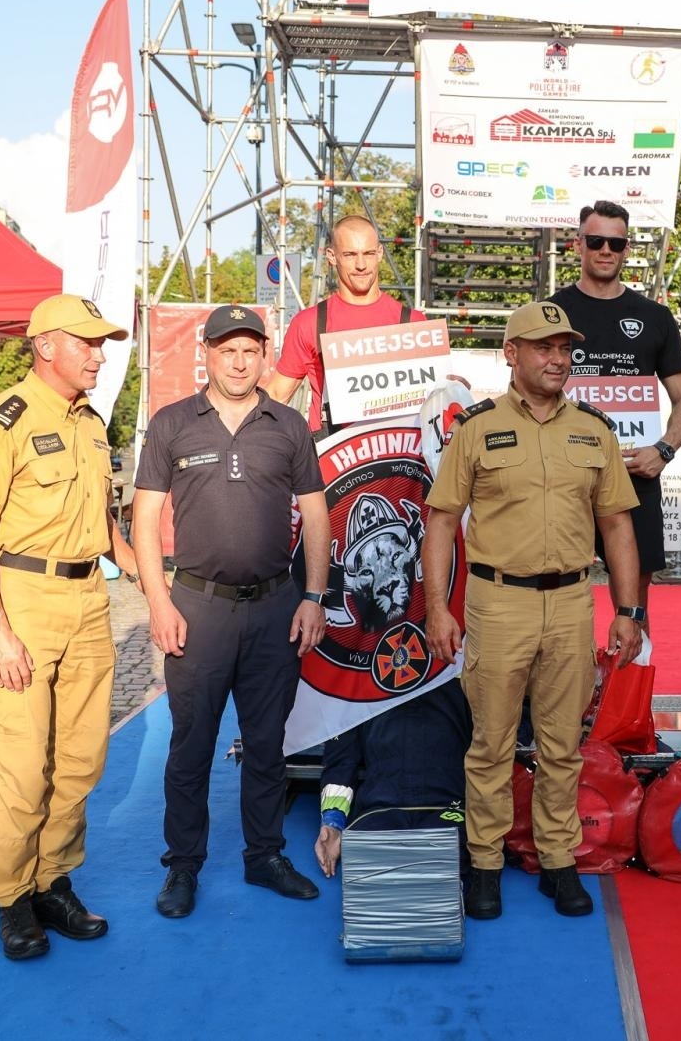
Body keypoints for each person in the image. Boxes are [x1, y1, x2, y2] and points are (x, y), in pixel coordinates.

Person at [421, 300, 643, 921]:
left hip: (572, 602)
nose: (557, 359)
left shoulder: (594, 431)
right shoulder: (476, 429)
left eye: (565, 348)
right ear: (511, 355)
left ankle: (557, 857)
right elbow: (441, 523)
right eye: (544, 347)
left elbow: (617, 525)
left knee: (562, 744)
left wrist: (630, 609)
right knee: (490, 742)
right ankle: (486, 861)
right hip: (497, 603)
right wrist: (439, 608)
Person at [0, 294, 138, 961]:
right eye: (87, 342)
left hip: (89, 596)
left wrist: (142, 570)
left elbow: (104, 517)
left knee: (81, 760)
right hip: (24, 598)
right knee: (23, 764)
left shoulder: (90, 424)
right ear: (46, 346)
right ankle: (11, 899)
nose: (99, 354)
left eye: (102, 342)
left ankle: (52, 881)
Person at [133, 304, 333, 920]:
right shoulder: (171, 425)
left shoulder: (289, 426)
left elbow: (318, 515)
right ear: (208, 354)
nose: (240, 362)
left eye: (250, 350)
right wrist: (158, 602)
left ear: (265, 355)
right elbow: (142, 520)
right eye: (227, 351)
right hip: (197, 607)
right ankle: (183, 866)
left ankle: (264, 855)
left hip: (276, 606)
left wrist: (313, 596)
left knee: (269, 744)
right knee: (191, 746)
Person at [548, 200, 681, 623]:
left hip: (633, 473)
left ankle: (629, 684)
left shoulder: (653, 316)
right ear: (578, 244)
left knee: (633, 603)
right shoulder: (552, 312)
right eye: (595, 240)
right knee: (554, 593)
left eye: (616, 243)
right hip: (564, 475)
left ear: (627, 248)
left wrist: (664, 450)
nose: (605, 250)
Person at [265, 215, 423, 432]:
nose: (361, 265)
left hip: (396, 456)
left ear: (379, 253)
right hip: (331, 456)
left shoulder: (413, 322)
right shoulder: (309, 323)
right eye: (350, 255)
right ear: (332, 256)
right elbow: (275, 396)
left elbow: (433, 398)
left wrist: (451, 387)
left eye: (368, 253)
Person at [313, 679, 472, 877]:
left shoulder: (467, 664)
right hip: (381, 806)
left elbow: (489, 753)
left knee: (444, 862)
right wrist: (333, 822)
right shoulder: (358, 669)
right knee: (368, 866)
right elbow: (341, 759)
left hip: (449, 804)